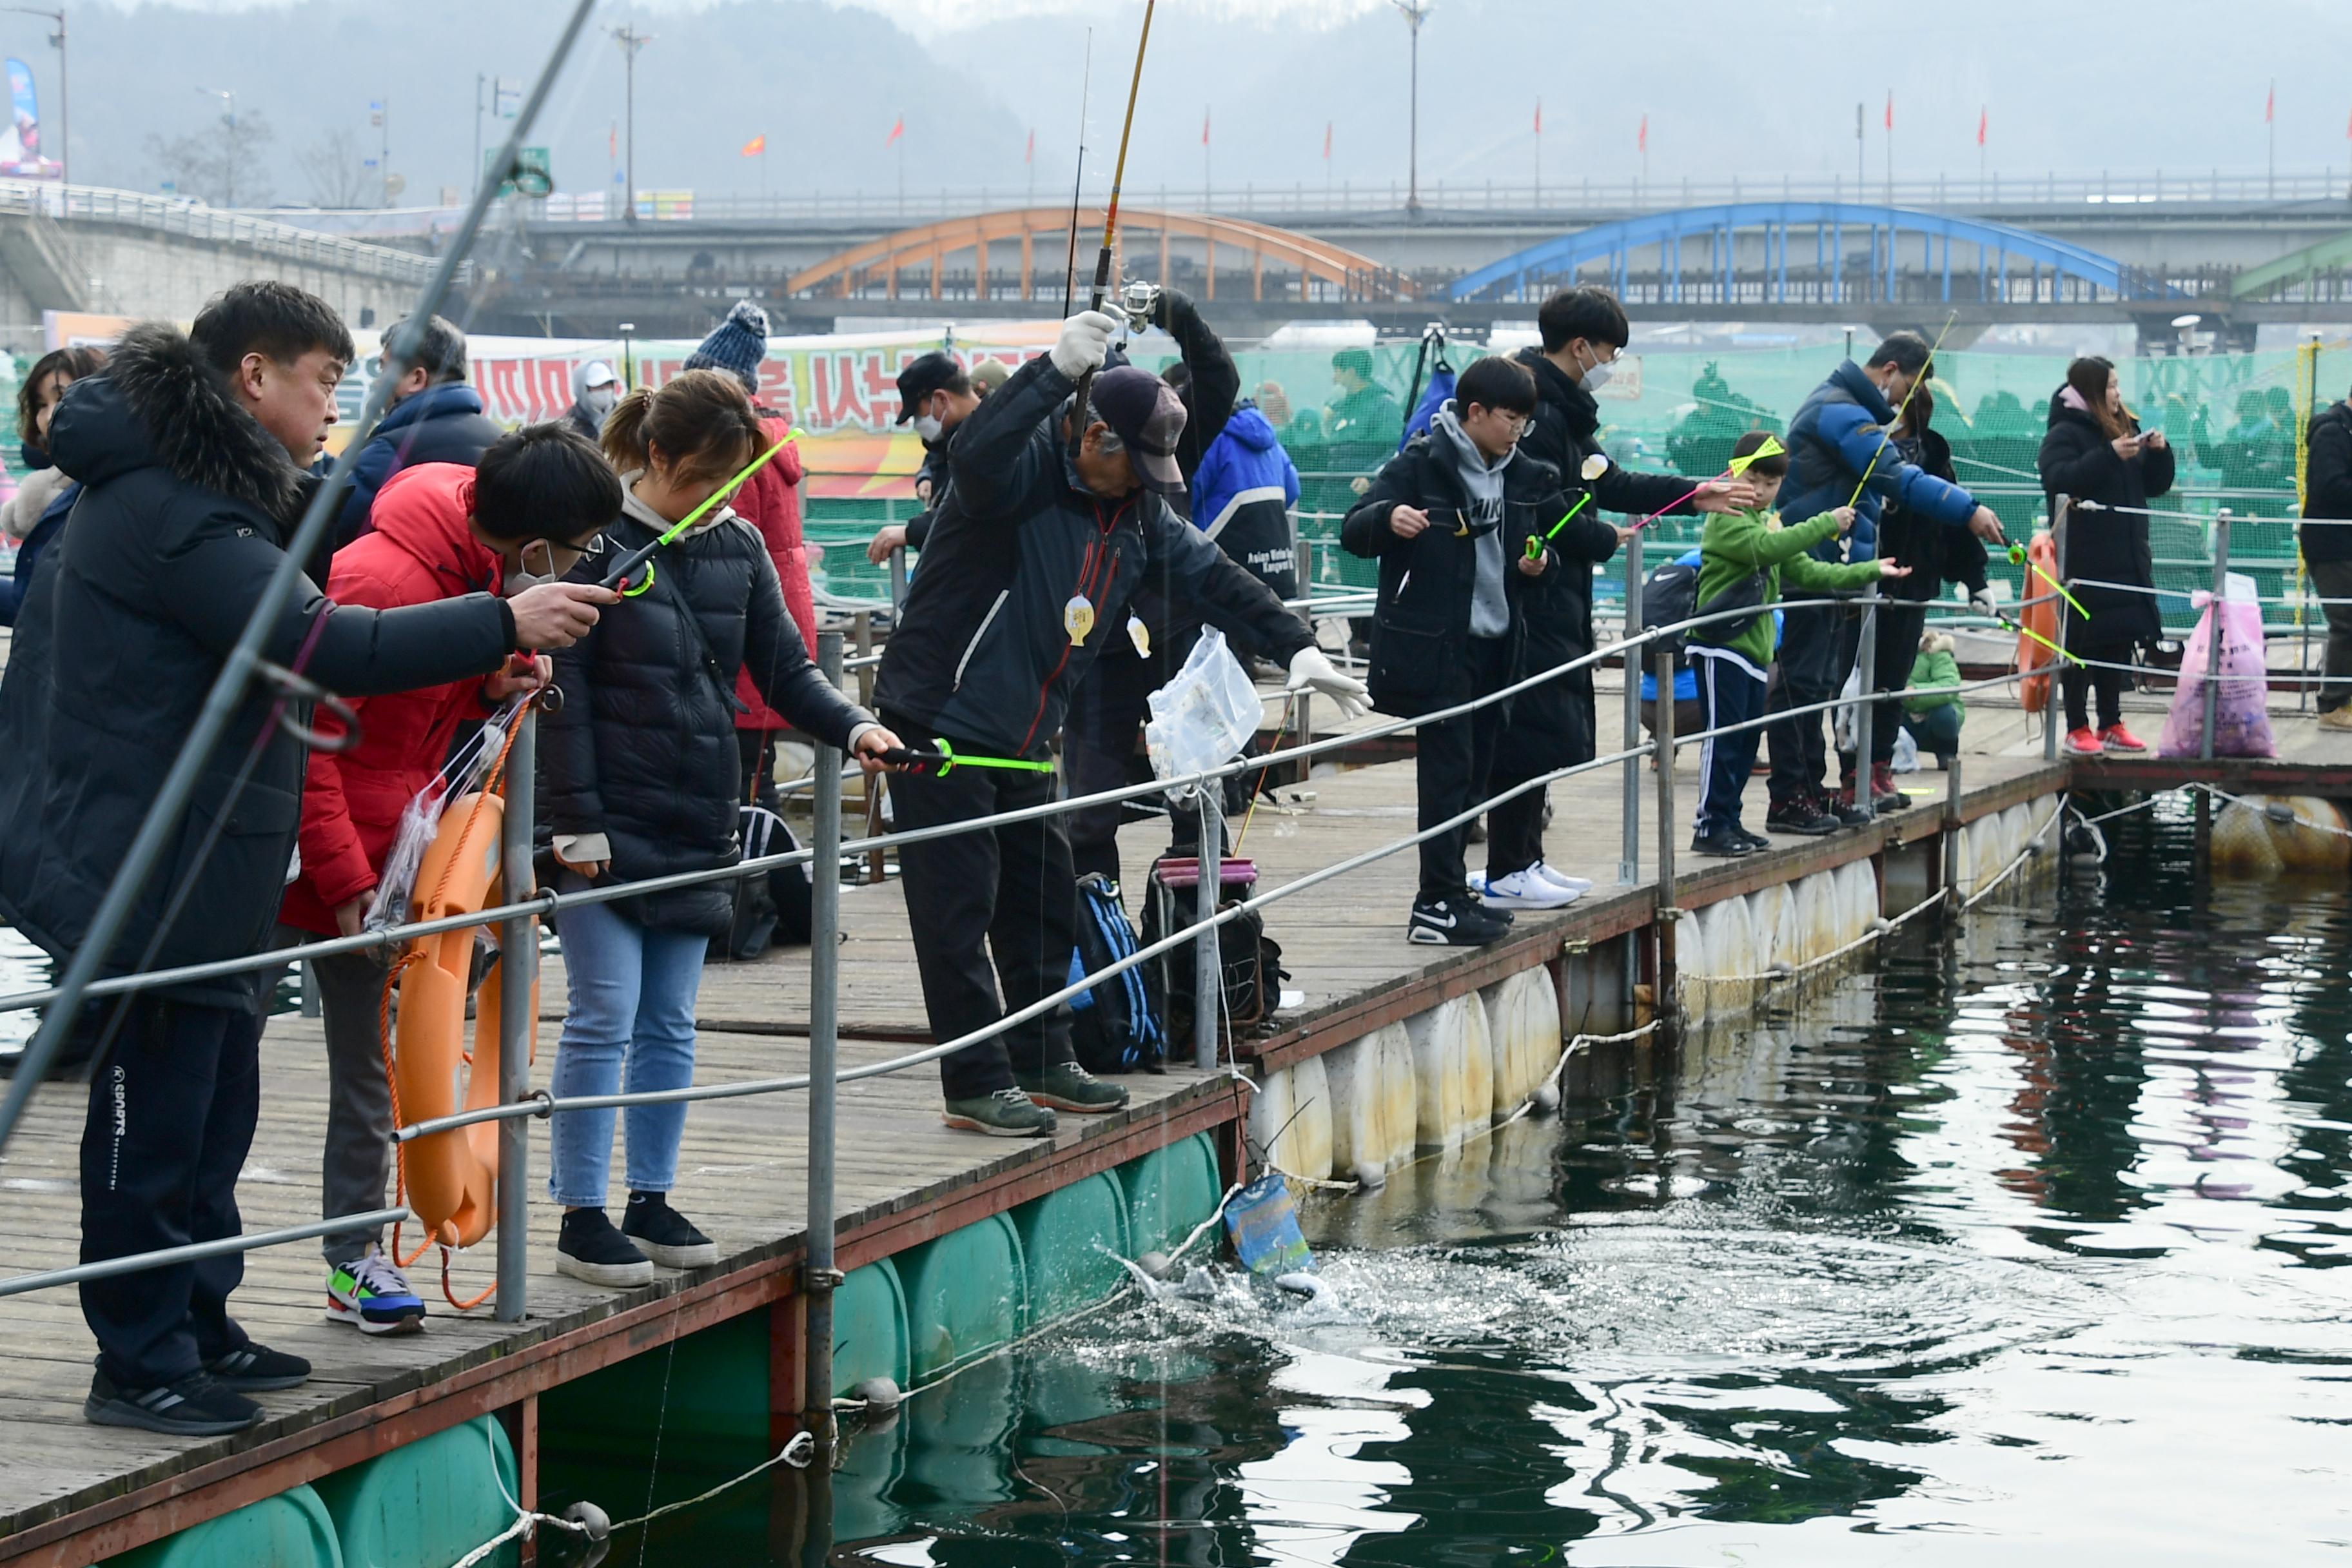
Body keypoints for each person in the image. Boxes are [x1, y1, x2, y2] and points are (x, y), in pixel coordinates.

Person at [0, 282, 613, 1436]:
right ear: (253, 377)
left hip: (211, 861)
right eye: (325, 379)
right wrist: (503, 623)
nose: (339, 402)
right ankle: (137, 1361)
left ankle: (198, 1315)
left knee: (219, 1100)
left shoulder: (205, 499)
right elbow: (323, 642)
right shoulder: (179, 510)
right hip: (150, 868)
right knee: (156, 1114)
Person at [872, 312, 1362, 1136]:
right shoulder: (1015, 479)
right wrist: (1053, 368)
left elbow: (1217, 575)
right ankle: (975, 1079)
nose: (1143, 483)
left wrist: (1298, 646)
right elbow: (976, 448)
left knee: (1042, 902)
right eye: (1132, 463)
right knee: (956, 910)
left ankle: (1044, 1054)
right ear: (1092, 433)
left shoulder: (1136, 515)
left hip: (1029, 734)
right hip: (940, 719)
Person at [540, 369, 897, 1285]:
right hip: (602, 824)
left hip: (696, 813)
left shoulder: (735, 545)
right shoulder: (592, 547)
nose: (718, 500)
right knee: (603, 1011)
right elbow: (562, 701)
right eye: (705, 479)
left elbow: (786, 670)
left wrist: (855, 726)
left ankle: (649, 1196)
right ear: (658, 456)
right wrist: (574, 829)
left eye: (732, 483)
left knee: (669, 1020)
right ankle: (580, 1212)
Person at [277, 426, 624, 1336]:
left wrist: (489, 683)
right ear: (540, 544)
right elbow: (304, 739)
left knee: (385, 1057)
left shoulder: (468, 565)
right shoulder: (380, 579)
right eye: (580, 550)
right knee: (360, 1066)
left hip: (404, 841)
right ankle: (350, 1255)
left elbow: (416, 703)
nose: (584, 564)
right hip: (338, 861)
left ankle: (361, 1247)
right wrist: (344, 877)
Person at [1482, 287, 1746, 908]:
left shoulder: (1565, 411)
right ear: (1581, 347)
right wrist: (1603, 536)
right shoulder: (1540, 412)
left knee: (1544, 727)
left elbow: (1609, 480)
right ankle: (1507, 868)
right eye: (1611, 351)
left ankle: (1525, 860)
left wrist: (1694, 491)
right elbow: (1541, 506)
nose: (1614, 364)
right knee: (1528, 728)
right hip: (1532, 592)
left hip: (1559, 593)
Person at [1342, 354, 1561, 945]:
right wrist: (1391, 518)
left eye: (1524, 421)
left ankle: (1453, 894)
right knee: (1445, 776)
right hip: (1440, 649)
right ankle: (1432, 905)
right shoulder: (1421, 463)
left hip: (1498, 647)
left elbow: (1539, 551)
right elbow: (1353, 529)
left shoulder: (1521, 473)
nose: (1517, 431)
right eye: (1510, 418)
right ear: (1475, 413)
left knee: (1474, 776)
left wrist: (1539, 564)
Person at [1765, 333, 2005, 834]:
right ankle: (1789, 798)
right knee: (1801, 685)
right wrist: (1969, 511)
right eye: (1906, 388)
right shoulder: (1843, 414)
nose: (1903, 402)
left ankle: (1810, 790)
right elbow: (1898, 477)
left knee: (1820, 685)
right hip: (1813, 568)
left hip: (1836, 571)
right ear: (1890, 369)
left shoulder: (1847, 407)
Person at [1063, 288, 1256, 889]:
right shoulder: (1051, 460)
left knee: (1196, 797)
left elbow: (1218, 380)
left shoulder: (1166, 434)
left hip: (1174, 640)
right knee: (1087, 814)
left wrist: (1176, 315)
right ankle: (1095, 947)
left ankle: (1202, 937)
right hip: (1092, 654)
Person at [1687, 433, 1906, 858]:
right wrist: (1826, 523)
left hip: (1753, 649)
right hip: (1722, 644)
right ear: (1734, 475)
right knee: (1724, 739)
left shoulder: (1768, 520)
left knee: (1747, 741)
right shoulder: (1726, 518)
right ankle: (1709, 824)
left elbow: (1808, 571)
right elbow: (1768, 550)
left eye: (1772, 484)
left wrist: (1869, 570)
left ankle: (1730, 820)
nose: (1762, 491)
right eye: (1754, 480)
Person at [677, 303, 817, 816]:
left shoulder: (734, 448)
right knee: (753, 775)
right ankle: (766, 888)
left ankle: (755, 893)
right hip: (773, 619)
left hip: (741, 629)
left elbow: (720, 550)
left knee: (737, 786)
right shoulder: (768, 437)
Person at [1850, 379, 1995, 799]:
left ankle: (1879, 768)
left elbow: (1954, 522)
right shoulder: (1859, 448)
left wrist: (1975, 580)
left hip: (1912, 585)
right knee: (1849, 683)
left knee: (1892, 682)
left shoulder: (1934, 455)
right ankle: (1847, 774)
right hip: (1856, 587)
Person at [2038, 354, 2172, 755]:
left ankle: (2111, 721)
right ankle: (2076, 726)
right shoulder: (2065, 431)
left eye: (2117, 385)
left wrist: (2161, 454)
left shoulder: (2124, 425)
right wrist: (2109, 454)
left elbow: (2155, 486)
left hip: (2127, 554)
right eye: (2111, 386)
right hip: (2084, 557)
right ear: (2094, 391)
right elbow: (2059, 479)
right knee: (2079, 643)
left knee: (2117, 639)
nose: (2117, 392)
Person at [335, 313, 504, 541]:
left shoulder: (392, 448)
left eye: (384, 370)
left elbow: (333, 529)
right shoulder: (502, 443)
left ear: (416, 379)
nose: (378, 382)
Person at [0, 344, 104, 627]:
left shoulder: (103, 491)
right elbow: (34, 606)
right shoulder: (69, 488)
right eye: (40, 404)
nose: (48, 417)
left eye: (61, 397)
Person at [865, 351, 983, 567]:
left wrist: (912, 532)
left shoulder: (984, 443)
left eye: (920, 414)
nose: (920, 424)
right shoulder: (954, 441)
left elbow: (968, 521)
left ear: (941, 399)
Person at [2298, 382, 2352, 730]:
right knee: (2346, 623)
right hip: (2332, 545)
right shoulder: (2331, 433)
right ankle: (2332, 705)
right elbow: (2330, 488)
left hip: (2341, 542)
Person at [1903, 629, 1966, 769]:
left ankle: (1946, 753)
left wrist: (1915, 692)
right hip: (1904, 714)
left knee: (1945, 713)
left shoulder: (1939, 653)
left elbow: (1949, 685)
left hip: (1934, 716)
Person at [564, 359, 620, 444]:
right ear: (582, 389)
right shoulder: (570, 424)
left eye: (608, 384)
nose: (604, 390)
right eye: (597, 386)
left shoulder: (623, 415)